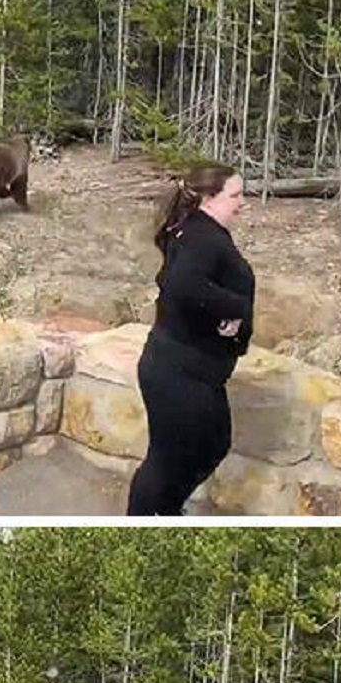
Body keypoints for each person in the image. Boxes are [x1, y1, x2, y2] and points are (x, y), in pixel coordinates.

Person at [126, 164, 254, 518]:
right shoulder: (201, 237)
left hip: (188, 369)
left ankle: (165, 510)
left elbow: (180, 283)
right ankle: (145, 517)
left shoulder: (195, 230)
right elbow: (181, 285)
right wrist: (234, 309)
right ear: (208, 199)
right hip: (177, 372)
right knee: (168, 459)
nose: (242, 203)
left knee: (212, 443)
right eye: (235, 195)